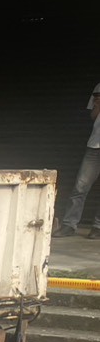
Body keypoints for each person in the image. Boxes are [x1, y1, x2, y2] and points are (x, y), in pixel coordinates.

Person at [56, 81, 100, 237]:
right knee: (80, 186)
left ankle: (98, 227)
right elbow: (93, 116)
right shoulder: (99, 87)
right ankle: (69, 225)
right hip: (95, 145)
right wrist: (98, 104)